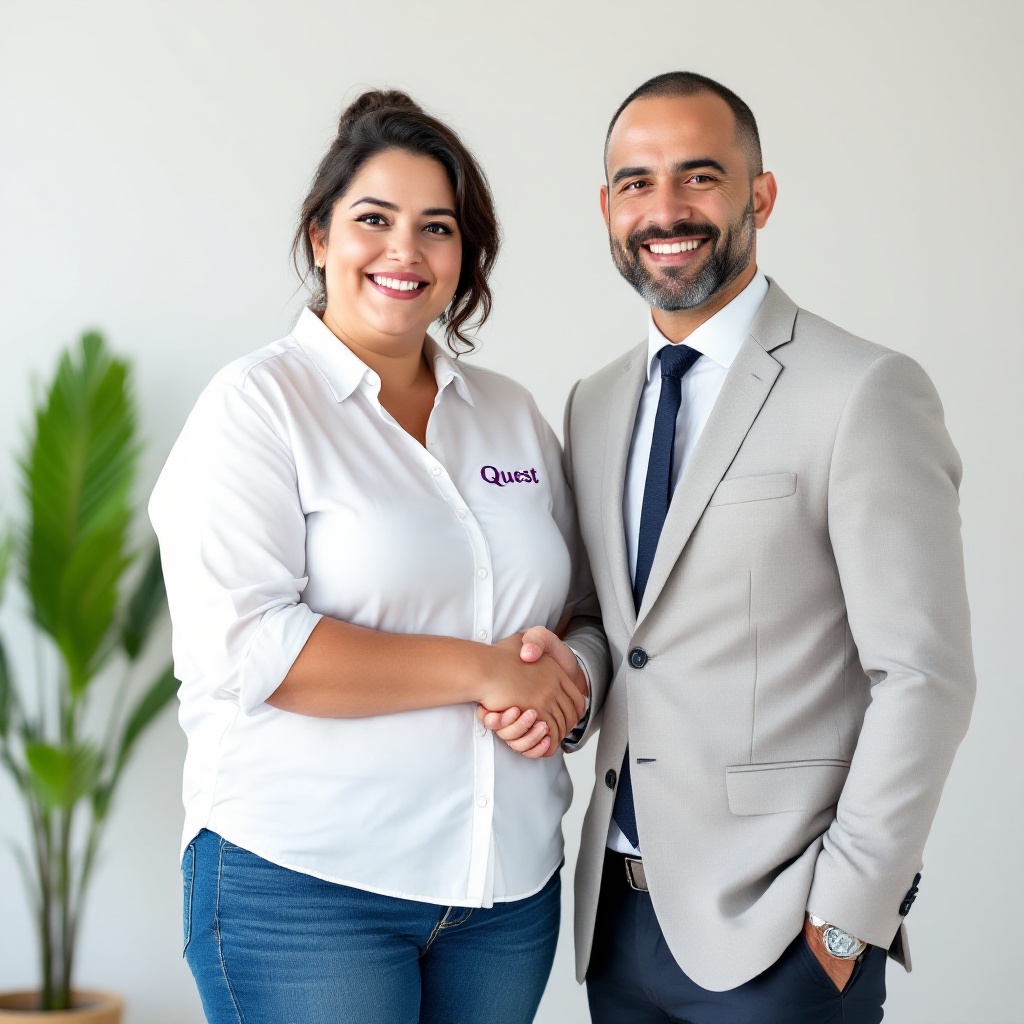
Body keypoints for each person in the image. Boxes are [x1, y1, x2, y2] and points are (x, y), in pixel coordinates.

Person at [483, 71, 975, 1023]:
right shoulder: (595, 401)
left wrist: (844, 920)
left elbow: (924, 675)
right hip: (615, 925)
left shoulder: (863, 390)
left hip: (783, 938)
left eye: (699, 177)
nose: (665, 209)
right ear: (607, 208)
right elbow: (608, 620)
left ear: (761, 194)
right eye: (636, 182)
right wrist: (566, 676)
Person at [149, 89, 607, 1024]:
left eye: (436, 227)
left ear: (463, 258)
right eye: (374, 219)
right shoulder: (256, 408)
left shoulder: (512, 414)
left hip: (504, 890)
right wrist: (486, 671)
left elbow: (586, 612)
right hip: (306, 889)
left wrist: (572, 682)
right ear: (320, 238)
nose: (405, 251)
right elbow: (251, 649)